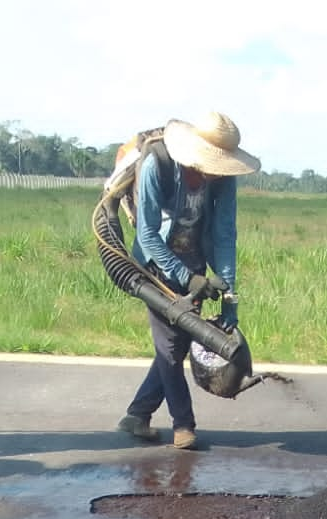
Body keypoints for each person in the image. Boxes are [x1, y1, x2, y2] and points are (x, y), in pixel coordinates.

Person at [116, 112, 257, 452]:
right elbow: (148, 235)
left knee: (178, 345)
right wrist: (186, 278)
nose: (212, 171)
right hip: (156, 266)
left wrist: (228, 296)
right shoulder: (158, 166)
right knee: (169, 345)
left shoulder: (223, 179)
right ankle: (183, 425)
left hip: (194, 259)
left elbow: (225, 234)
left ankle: (137, 414)